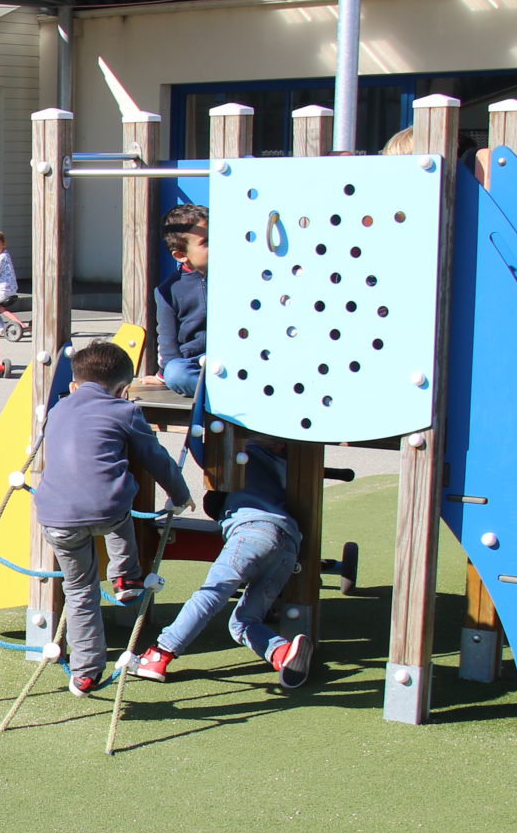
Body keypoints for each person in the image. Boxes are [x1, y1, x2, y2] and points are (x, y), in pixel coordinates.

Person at [34, 341, 192, 696]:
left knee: (79, 592)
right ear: (123, 390)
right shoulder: (126, 412)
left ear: (74, 386)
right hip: (107, 510)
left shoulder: (57, 411)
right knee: (120, 513)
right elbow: (156, 458)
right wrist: (180, 496)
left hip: (55, 517)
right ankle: (125, 577)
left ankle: (85, 672)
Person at [132, 437, 311, 686]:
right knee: (242, 622)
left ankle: (159, 654)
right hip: (288, 544)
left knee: (210, 596)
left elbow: (212, 502)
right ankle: (282, 653)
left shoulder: (245, 454)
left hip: (251, 532)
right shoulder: (293, 468)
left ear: (276, 443)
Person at [153, 206, 208, 395]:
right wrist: (164, 374)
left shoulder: (234, 276)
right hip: (196, 363)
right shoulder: (167, 291)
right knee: (176, 373)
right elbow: (167, 339)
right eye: (206, 242)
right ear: (180, 255)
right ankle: (219, 395)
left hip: (234, 357)